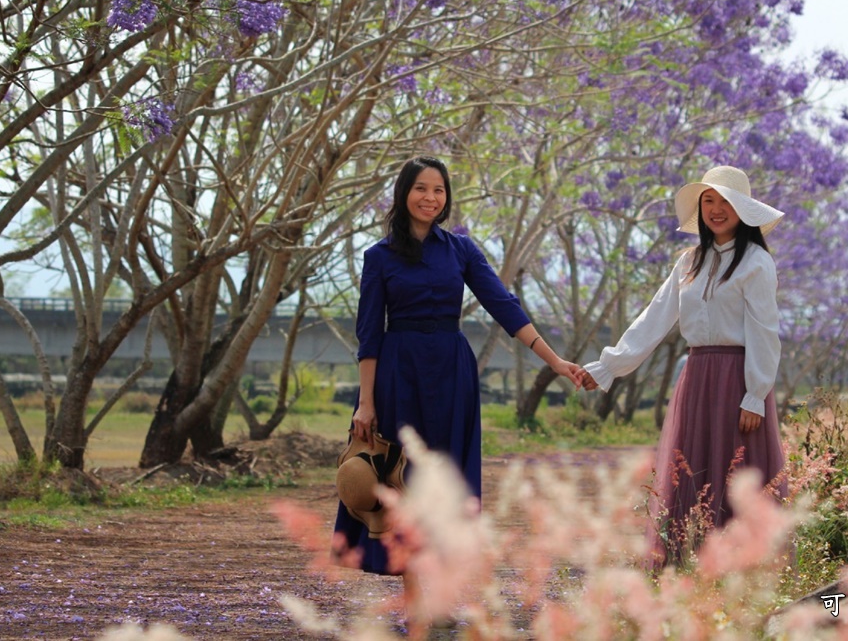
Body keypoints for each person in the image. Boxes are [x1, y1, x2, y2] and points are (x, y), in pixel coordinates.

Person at [332, 156, 583, 582]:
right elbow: (369, 334)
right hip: (398, 375)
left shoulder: (461, 250)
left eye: (439, 190)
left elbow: (504, 306)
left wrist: (554, 360)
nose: (430, 198)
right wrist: (366, 403)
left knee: (447, 478)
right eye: (421, 189)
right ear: (404, 193)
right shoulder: (379, 257)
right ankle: (413, 581)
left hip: (451, 374)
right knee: (399, 474)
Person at [579, 165, 788, 567]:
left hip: (738, 378)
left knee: (735, 471)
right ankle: (688, 559)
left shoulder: (757, 263)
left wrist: (755, 394)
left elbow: (765, 331)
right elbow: (653, 319)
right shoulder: (689, 262)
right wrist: (607, 368)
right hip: (697, 376)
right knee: (694, 467)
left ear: (743, 209)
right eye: (708, 200)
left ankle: (741, 565)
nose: (716, 209)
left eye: (725, 201)